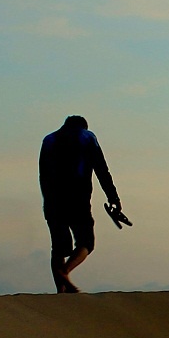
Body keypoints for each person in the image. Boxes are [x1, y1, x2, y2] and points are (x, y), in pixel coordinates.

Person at [39, 114, 124, 293]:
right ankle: (65, 271)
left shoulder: (48, 140)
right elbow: (102, 169)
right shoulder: (87, 137)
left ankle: (61, 292)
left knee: (59, 248)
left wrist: (47, 201)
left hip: (53, 200)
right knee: (86, 242)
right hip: (78, 198)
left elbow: (43, 175)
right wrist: (113, 197)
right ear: (84, 126)